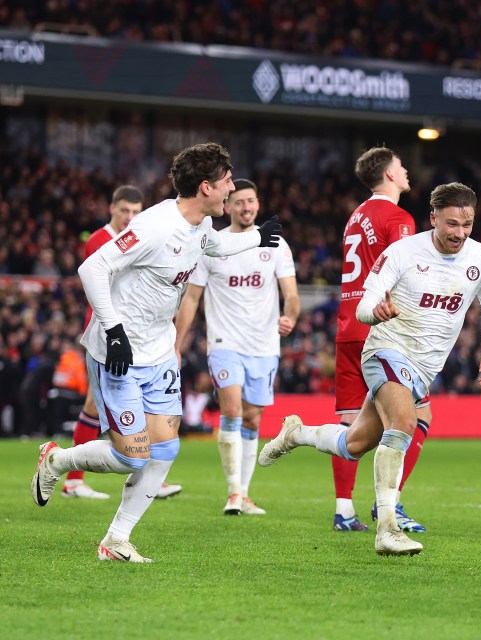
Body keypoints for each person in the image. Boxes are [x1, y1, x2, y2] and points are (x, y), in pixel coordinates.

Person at [30, 142, 284, 563]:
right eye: (225, 183)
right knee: (131, 456)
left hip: (159, 352)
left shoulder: (201, 225)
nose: (230, 189)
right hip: (119, 351)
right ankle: (56, 460)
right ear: (205, 187)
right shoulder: (155, 225)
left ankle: (116, 540)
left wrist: (257, 237)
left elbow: (214, 248)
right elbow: (92, 268)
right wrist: (113, 331)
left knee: (165, 449)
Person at [259, 182, 481, 556]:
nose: (460, 233)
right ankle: (387, 527)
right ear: (433, 218)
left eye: (467, 224)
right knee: (405, 422)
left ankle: (296, 434)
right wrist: (376, 312)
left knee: (353, 445)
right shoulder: (402, 252)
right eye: (452, 224)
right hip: (386, 350)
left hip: (423, 368)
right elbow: (364, 305)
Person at [175, 178, 299, 516]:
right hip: (224, 342)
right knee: (231, 409)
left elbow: (291, 295)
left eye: (251, 201)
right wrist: (177, 343)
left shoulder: (276, 245)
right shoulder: (212, 244)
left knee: (254, 417)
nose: (246, 207)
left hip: (264, 344)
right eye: (239, 202)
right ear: (227, 206)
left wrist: (290, 317)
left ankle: (244, 494)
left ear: (258, 204)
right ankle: (232, 493)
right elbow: (192, 298)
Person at [327, 147, 431, 533]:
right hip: (381, 327)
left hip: (347, 326)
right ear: (389, 174)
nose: (406, 172)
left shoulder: (356, 216)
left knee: (350, 420)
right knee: (419, 415)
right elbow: (402, 269)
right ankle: (391, 504)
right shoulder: (398, 217)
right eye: (402, 166)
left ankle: (343, 510)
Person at [61, 186, 182, 501]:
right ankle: (74, 477)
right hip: (109, 334)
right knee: (97, 405)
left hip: (138, 336)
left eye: (135, 212)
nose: (129, 217)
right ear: (111, 209)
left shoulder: (142, 236)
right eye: (124, 211)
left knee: (116, 404)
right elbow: (105, 283)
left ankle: (139, 472)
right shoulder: (100, 240)